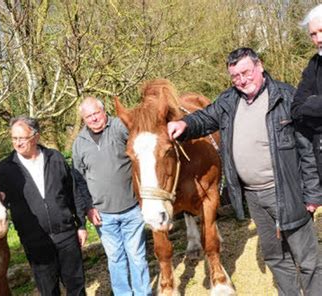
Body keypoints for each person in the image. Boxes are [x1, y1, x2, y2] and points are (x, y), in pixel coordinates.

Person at [167, 47, 322, 295]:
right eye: (235, 76)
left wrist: (313, 194)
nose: (242, 80)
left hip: (287, 190)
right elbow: (205, 118)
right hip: (254, 196)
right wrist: (184, 123)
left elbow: (308, 148)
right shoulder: (229, 101)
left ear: (259, 66)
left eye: (246, 72)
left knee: (307, 261)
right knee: (275, 258)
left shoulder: (286, 97)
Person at [0, 116, 87, 296]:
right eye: (14, 138)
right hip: (35, 240)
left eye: (22, 138)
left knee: (76, 286)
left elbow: (72, 192)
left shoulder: (55, 158)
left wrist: (82, 225)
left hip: (66, 234)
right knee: (48, 290)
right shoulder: (5, 169)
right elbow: (0, 203)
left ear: (36, 136)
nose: (18, 143)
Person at [72, 97, 152, 296]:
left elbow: (141, 151)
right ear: (83, 119)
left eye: (96, 113)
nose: (94, 119)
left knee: (137, 256)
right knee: (115, 258)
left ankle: (143, 293)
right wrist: (88, 208)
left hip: (132, 208)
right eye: (88, 116)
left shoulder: (119, 127)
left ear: (104, 111)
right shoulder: (79, 144)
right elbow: (79, 181)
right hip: (103, 215)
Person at [292, 4, 322, 192]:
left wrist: (313, 104)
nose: (319, 39)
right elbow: (296, 108)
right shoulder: (314, 64)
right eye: (313, 34)